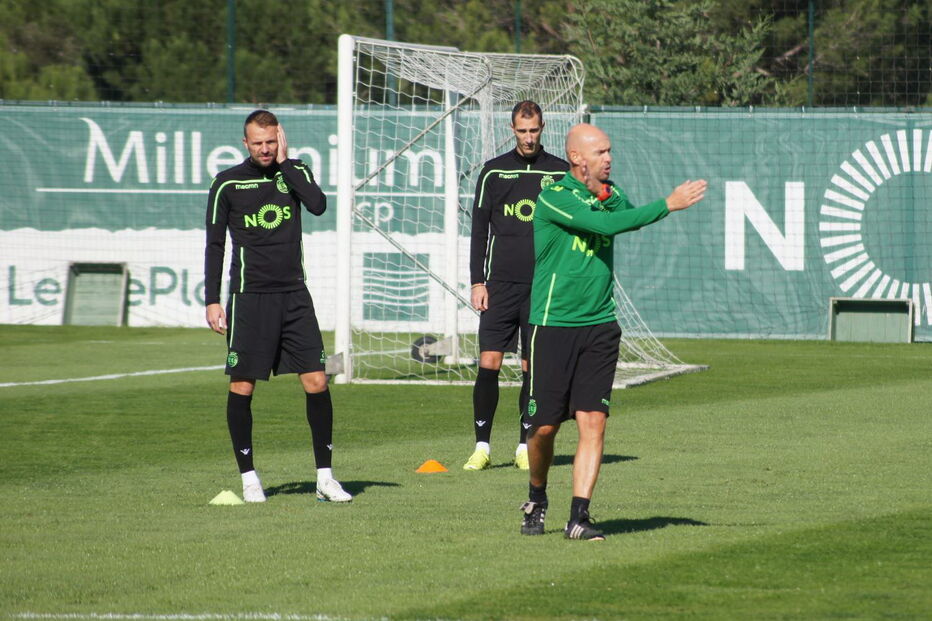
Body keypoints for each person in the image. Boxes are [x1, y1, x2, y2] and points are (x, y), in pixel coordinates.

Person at [519, 123, 706, 539]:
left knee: (594, 422)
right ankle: (537, 495)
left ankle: (579, 517)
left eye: (610, 150)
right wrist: (668, 204)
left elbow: (623, 215)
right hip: (552, 327)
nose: (609, 158)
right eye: (601, 152)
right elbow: (605, 227)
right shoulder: (554, 198)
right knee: (544, 429)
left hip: (600, 326)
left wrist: (610, 196)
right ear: (577, 159)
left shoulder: (610, 192)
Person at [204, 109, 351, 504]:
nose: (265, 149)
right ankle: (250, 479)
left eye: (271, 142)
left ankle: (325, 478)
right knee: (242, 385)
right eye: (258, 143)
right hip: (249, 300)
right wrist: (212, 299)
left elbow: (318, 205)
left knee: (317, 381)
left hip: (294, 297)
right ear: (245, 143)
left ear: (279, 139)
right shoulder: (226, 184)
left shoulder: (294, 171)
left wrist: (287, 164)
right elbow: (215, 245)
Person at [464, 101, 569, 471]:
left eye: (534, 130)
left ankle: (525, 446)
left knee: (531, 367)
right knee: (489, 362)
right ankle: (481, 447)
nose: (528, 138)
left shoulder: (560, 173)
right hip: (499, 286)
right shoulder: (493, 172)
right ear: (512, 129)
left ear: (543, 128)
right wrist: (478, 281)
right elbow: (479, 231)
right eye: (522, 131)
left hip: (542, 287)